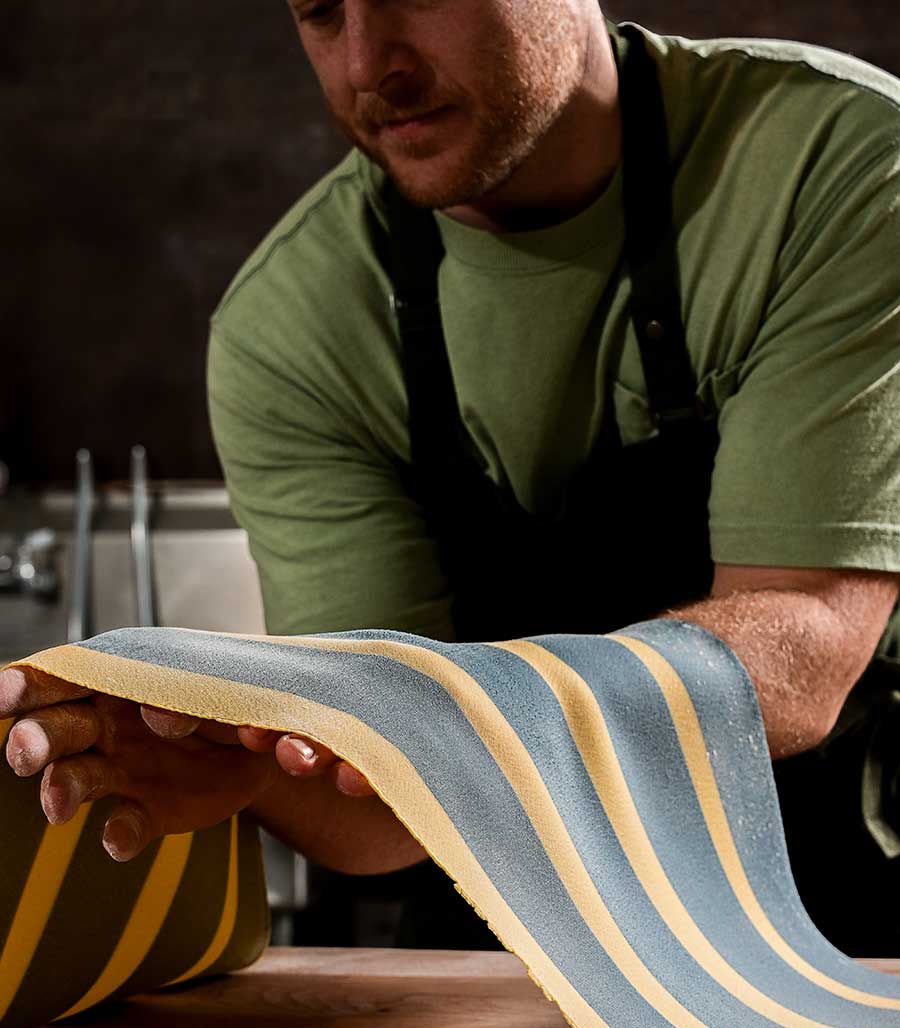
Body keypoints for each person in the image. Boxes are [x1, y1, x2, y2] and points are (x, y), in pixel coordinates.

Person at [2, 0, 900, 954]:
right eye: (321, 12)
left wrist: (424, 726)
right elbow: (378, 805)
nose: (368, 65)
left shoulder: (832, 167)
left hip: (848, 920)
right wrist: (247, 754)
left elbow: (801, 653)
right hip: (505, 948)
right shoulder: (294, 327)